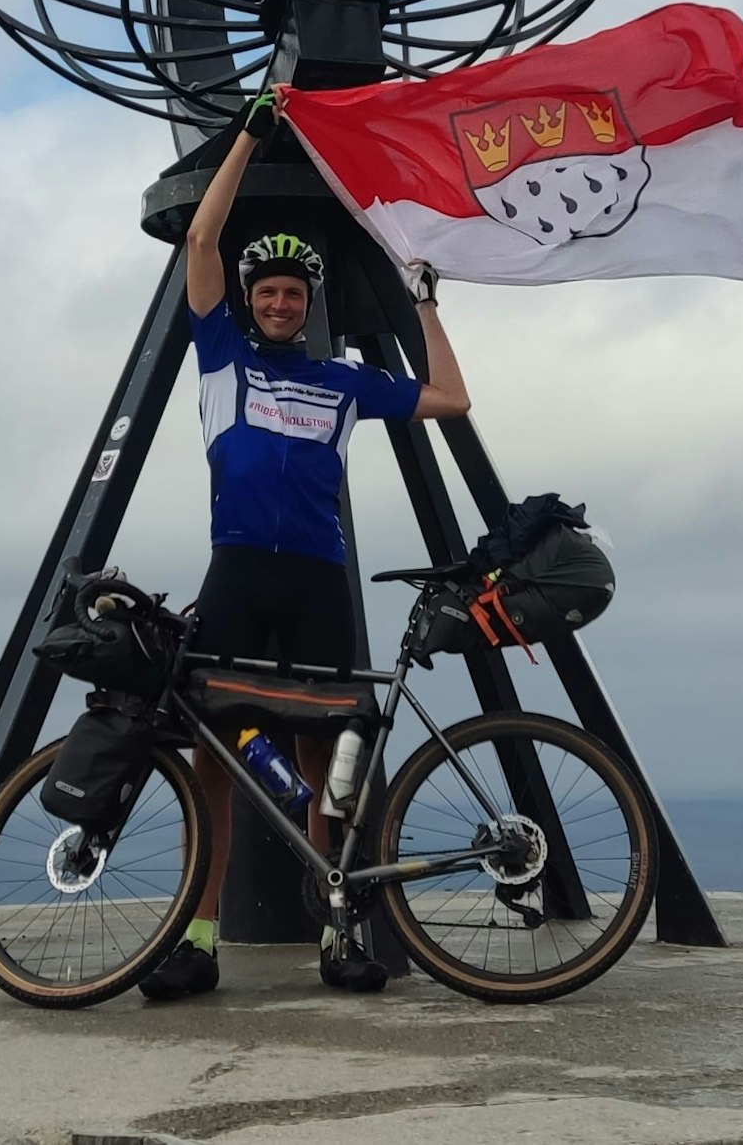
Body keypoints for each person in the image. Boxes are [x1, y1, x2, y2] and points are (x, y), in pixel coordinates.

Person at [139, 90, 472, 1002]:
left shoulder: (340, 380)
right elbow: (202, 243)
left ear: (307, 304)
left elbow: (451, 401)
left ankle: (337, 932)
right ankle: (199, 939)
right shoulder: (222, 359)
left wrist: (425, 305)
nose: (281, 302)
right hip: (240, 572)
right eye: (269, 293)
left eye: (293, 293)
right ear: (252, 303)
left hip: (321, 581)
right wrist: (248, 134)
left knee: (327, 767)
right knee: (214, 758)